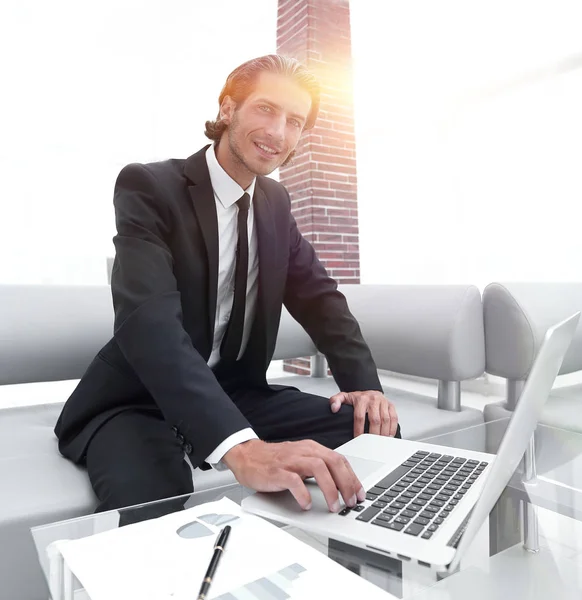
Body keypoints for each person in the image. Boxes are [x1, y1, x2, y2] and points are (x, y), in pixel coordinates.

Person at [55, 54, 400, 517]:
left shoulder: (276, 203)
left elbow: (322, 302)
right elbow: (150, 324)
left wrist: (365, 389)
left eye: (294, 121)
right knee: (159, 498)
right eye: (265, 109)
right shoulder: (149, 187)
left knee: (376, 433)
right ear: (227, 109)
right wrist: (241, 448)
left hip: (235, 392)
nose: (278, 132)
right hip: (139, 400)